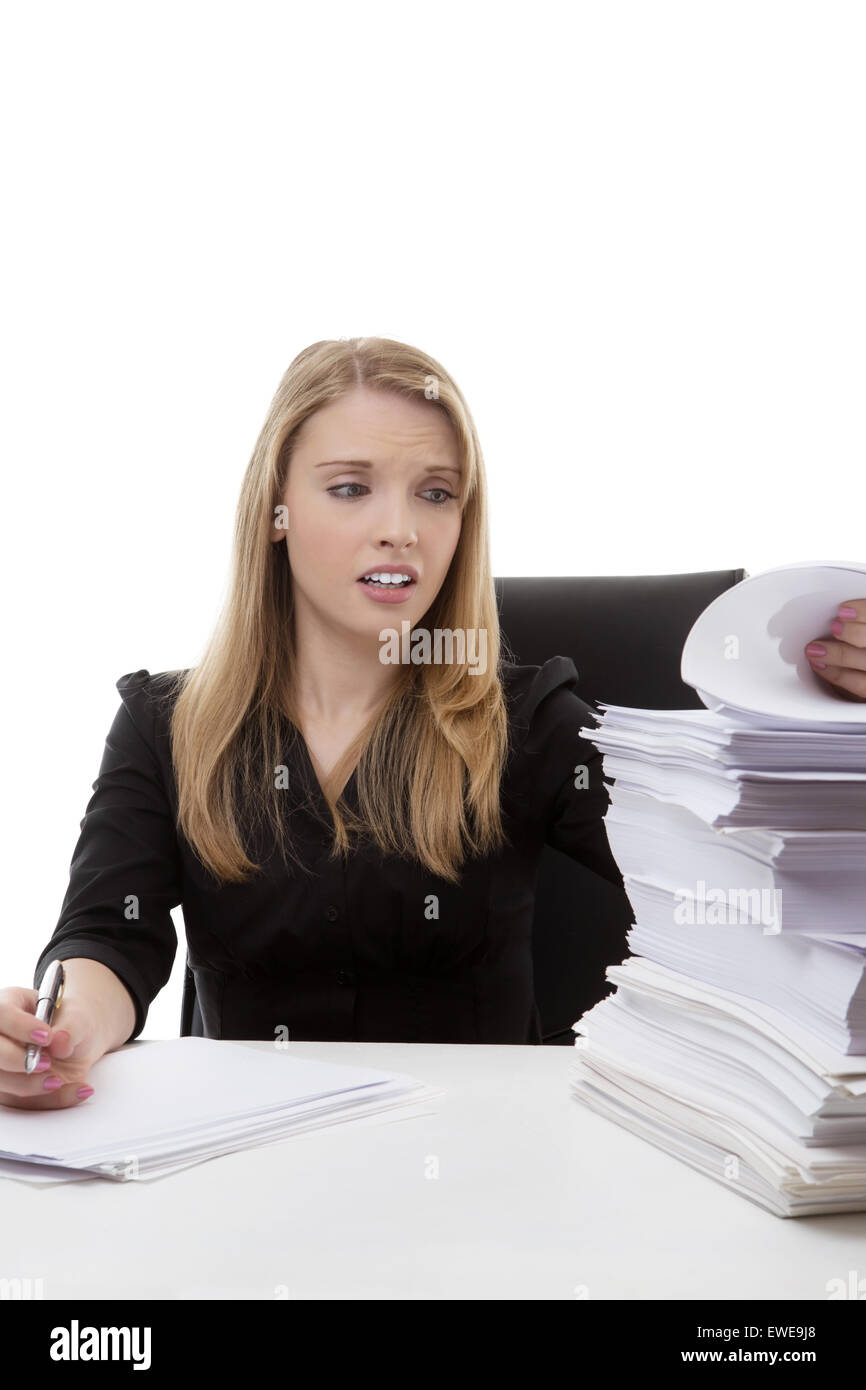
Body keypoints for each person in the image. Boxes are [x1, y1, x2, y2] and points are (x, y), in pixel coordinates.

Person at [2, 337, 865, 1111]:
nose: (401, 531)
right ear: (277, 509)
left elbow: (748, 885)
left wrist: (826, 724)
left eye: (436, 494)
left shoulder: (526, 723)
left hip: (488, 1175)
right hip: (244, 1164)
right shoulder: (166, 723)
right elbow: (109, 937)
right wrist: (63, 1026)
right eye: (350, 488)